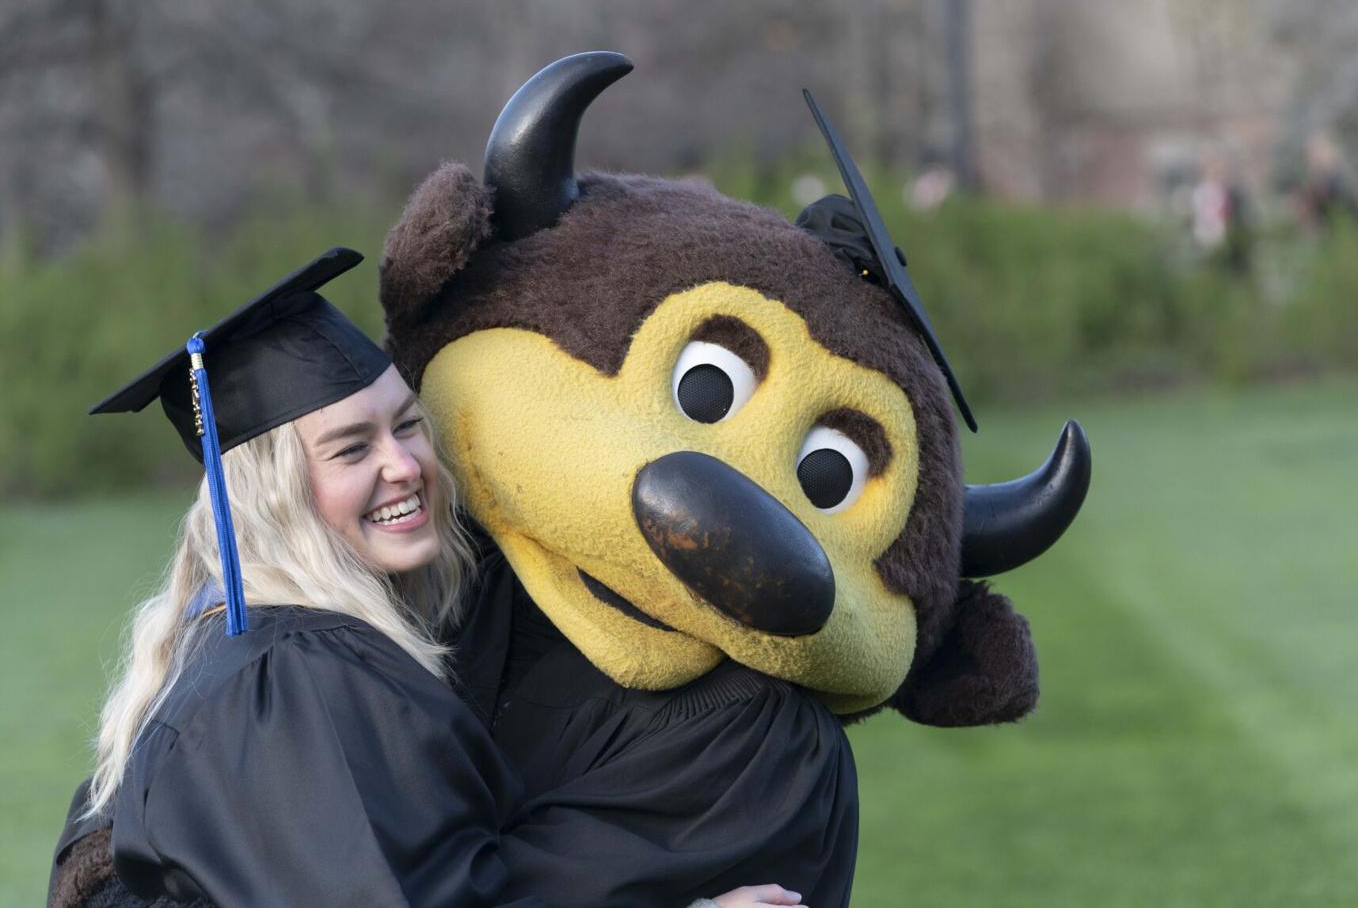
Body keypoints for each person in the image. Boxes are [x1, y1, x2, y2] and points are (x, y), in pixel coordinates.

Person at [48, 247, 805, 908]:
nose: (403, 465)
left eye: (407, 425)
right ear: (272, 494)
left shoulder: (254, 651)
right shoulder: (297, 678)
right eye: (352, 449)